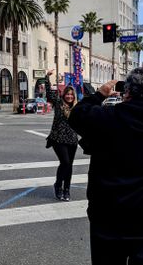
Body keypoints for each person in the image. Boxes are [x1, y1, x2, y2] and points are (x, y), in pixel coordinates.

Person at [68, 68, 143, 265]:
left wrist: (99, 94)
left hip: (107, 217)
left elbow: (76, 115)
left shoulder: (105, 117)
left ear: (127, 92)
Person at [45, 70, 78, 201]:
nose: (69, 96)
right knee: (65, 162)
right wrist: (47, 77)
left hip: (72, 139)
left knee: (69, 165)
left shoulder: (76, 108)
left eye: (71, 94)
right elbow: (48, 93)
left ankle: (67, 189)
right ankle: (58, 185)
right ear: (64, 95)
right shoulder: (58, 103)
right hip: (58, 138)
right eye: (67, 94)